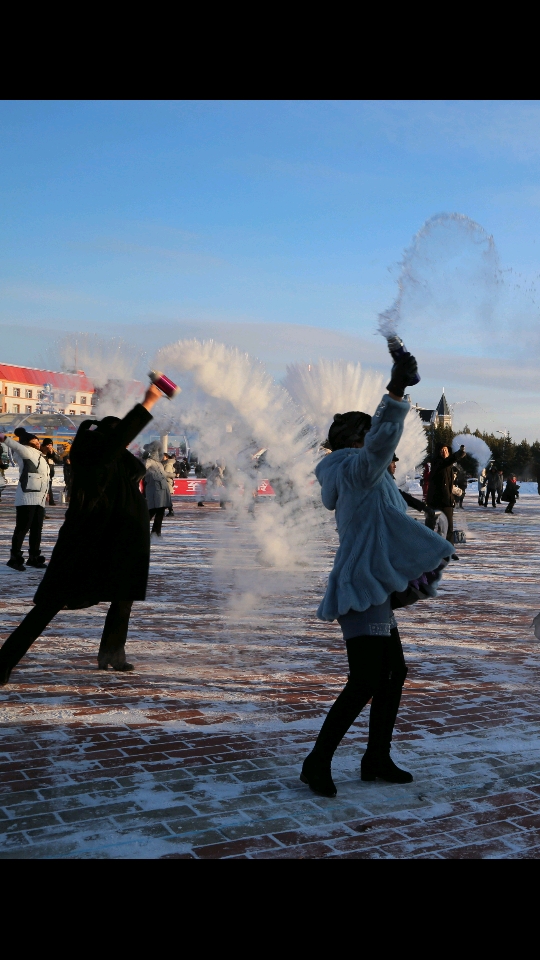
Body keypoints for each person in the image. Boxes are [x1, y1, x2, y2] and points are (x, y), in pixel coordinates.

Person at [300, 349, 454, 798]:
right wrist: (396, 390)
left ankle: (376, 756)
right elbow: (381, 443)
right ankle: (317, 761)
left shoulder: (364, 475)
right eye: (367, 435)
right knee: (366, 678)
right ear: (354, 439)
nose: (377, 445)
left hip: (373, 589)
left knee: (393, 672)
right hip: (361, 588)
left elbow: (383, 517)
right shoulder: (354, 467)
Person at [0, 384, 163, 683]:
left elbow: (129, 462)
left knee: (123, 597)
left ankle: (113, 654)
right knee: (49, 605)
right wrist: (148, 402)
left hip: (118, 544)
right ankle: (3, 662)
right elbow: (117, 442)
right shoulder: (93, 458)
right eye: (119, 441)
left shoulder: (114, 464)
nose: (124, 446)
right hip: (86, 546)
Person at [2, 428, 49, 571]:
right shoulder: (26, 451)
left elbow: (44, 477)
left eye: (38, 440)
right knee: (22, 528)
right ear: (27, 442)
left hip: (39, 498)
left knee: (36, 529)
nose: (38, 441)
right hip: (27, 497)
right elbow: (16, 446)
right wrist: (4, 438)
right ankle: (14, 558)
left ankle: (34, 557)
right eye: (34, 440)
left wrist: (46, 493)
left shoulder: (40, 455)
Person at [426, 443, 466, 543]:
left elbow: (448, 484)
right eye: (442, 450)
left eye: (446, 450)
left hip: (447, 502)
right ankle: (426, 549)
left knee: (448, 528)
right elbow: (447, 462)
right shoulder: (437, 463)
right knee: (429, 527)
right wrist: (458, 454)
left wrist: (457, 491)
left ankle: (449, 550)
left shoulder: (449, 467)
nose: (444, 452)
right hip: (434, 501)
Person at [143, 441, 171, 537]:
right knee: (152, 511)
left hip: (163, 490)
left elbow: (163, 474)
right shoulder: (148, 461)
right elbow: (141, 470)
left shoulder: (159, 464)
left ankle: (156, 533)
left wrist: (172, 475)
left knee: (160, 512)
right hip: (154, 490)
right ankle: (141, 529)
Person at [40, 438, 63, 506]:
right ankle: (44, 503)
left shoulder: (52, 454)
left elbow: (59, 461)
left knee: (49, 487)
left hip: (49, 474)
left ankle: (51, 501)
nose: (49, 447)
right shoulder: (40, 453)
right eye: (47, 445)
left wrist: (52, 454)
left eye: (50, 445)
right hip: (41, 475)